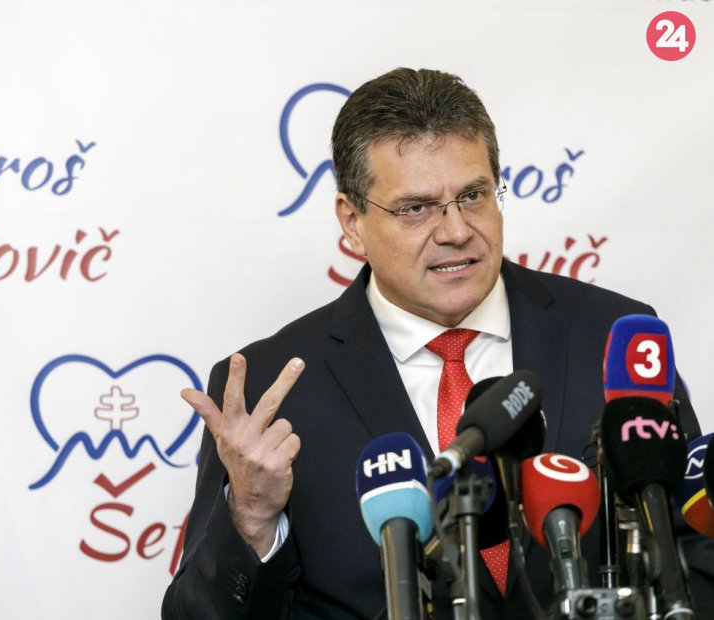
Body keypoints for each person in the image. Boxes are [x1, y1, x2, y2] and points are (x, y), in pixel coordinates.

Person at [161, 68, 714, 619]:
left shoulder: (613, 336)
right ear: (351, 221)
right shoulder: (271, 389)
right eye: (416, 208)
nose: (455, 231)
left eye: (473, 196)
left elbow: (695, 556)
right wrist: (251, 518)